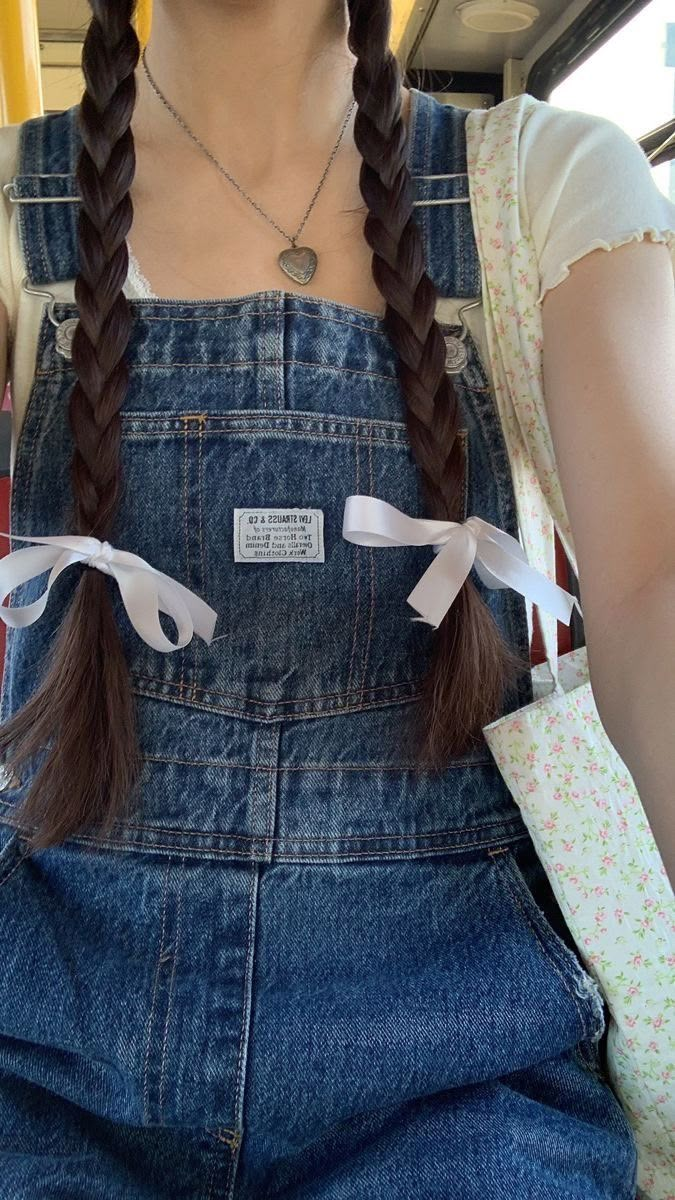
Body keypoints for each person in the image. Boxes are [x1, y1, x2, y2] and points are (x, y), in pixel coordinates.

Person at [0, 0, 673, 1194]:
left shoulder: (542, 185)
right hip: (44, 1037)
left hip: (462, 1063)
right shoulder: (16, 205)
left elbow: (656, 584)